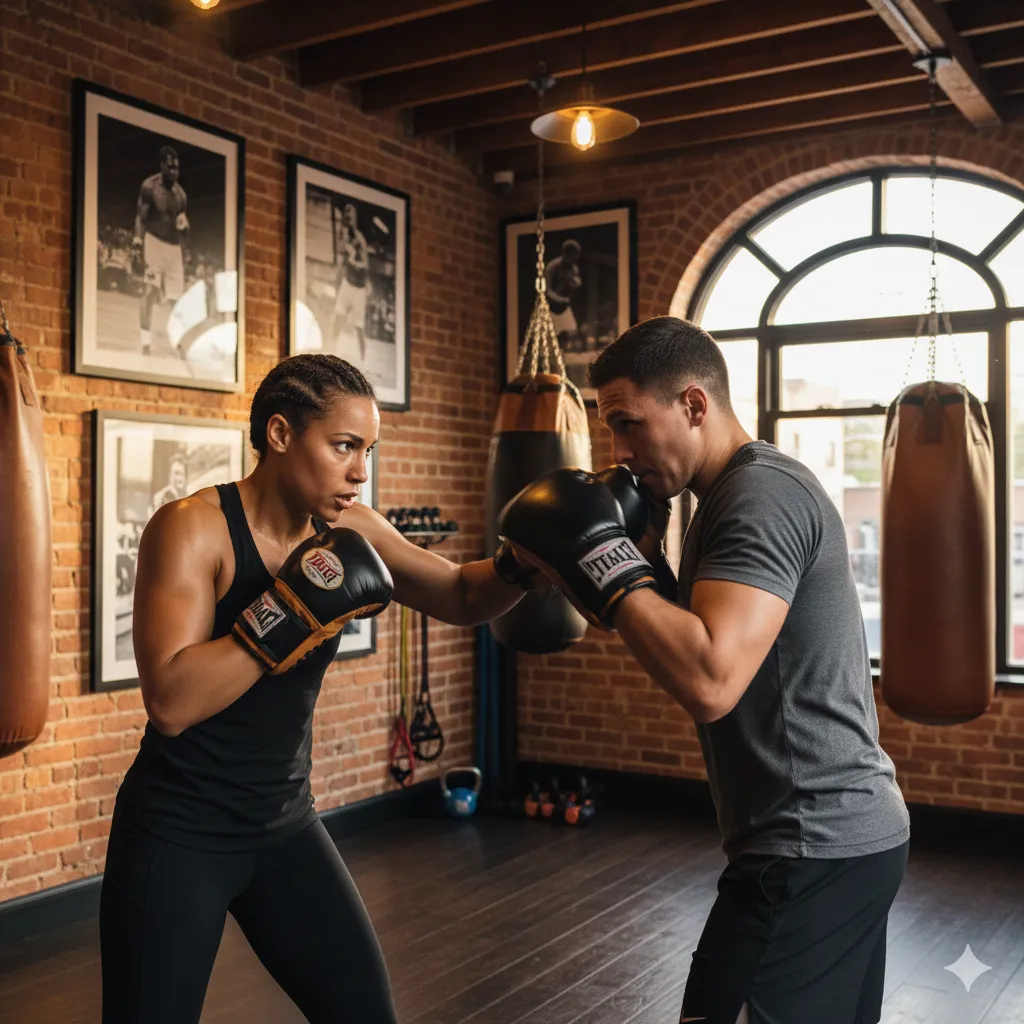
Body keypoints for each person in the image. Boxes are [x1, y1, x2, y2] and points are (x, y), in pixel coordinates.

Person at [498, 316, 910, 1024]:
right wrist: (631, 563)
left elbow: (710, 680)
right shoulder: (724, 497)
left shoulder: (759, 497)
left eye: (629, 425)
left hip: (809, 847)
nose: (619, 452)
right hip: (830, 840)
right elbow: (671, 632)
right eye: (609, 430)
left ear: (694, 405)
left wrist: (604, 557)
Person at [100, 353, 529, 1024]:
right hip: (178, 833)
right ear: (279, 434)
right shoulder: (193, 528)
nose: (361, 470)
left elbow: (463, 593)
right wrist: (290, 608)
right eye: (344, 446)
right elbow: (172, 702)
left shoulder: (352, 528)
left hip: (284, 826)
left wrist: (526, 561)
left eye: (368, 450)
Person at [133, 145, 189, 356]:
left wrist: (185, 228)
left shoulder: (181, 195)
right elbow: (141, 218)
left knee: (177, 302)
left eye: (176, 168)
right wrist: (137, 246)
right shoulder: (149, 187)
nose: (174, 171)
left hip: (174, 250)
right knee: (149, 293)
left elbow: (184, 229)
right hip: (153, 244)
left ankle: (179, 343)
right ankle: (146, 344)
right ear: (162, 166)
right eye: (170, 167)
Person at [334, 203, 369, 361]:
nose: (348, 219)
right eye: (346, 216)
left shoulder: (360, 240)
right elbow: (340, 253)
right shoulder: (344, 235)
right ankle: (331, 351)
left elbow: (364, 266)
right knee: (338, 318)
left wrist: (353, 261)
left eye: (350, 216)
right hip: (347, 284)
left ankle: (364, 359)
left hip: (358, 288)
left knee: (359, 327)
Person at [545, 238, 582, 349]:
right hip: (551, 308)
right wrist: (558, 299)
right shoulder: (552, 267)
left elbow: (577, 283)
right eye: (573, 255)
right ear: (567, 253)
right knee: (551, 338)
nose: (575, 258)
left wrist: (574, 282)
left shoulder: (573, 268)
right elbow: (546, 290)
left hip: (564, 307)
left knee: (572, 333)